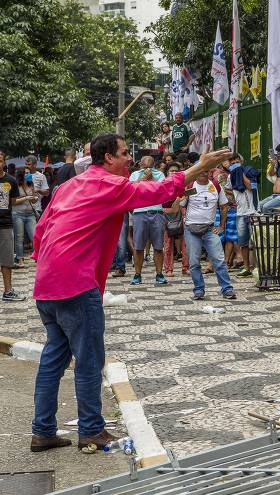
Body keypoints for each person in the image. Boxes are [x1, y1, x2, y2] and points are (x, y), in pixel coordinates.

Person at [29, 135, 230, 452]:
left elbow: (41, 230)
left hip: (47, 283)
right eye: (125, 154)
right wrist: (200, 167)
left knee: (53, 358)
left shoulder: (68, 187)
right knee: (89, 361)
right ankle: (92, 430)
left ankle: (42, 431)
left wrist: (48, 265)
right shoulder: (109, 185)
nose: (130, 160)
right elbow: (156, 190)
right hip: (76, 284)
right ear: (108, 157)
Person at [180, 167, 236, 300]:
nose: (203, 173)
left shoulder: (215, 186)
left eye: (206, 170)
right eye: (200, 170)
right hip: (191, 230)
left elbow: (224, 206)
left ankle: (227, 289)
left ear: (209, 173)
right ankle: (199, 289)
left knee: (219, 260)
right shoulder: (191, 186)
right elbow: (181, 203)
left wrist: (221, 226)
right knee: (194, 262)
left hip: (210, 229)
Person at [129, 156, 168, 285]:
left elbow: (161, 190)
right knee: (138, 246)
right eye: (145, 166)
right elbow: (131, 190)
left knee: (158, 246)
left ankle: (159, 274)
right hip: (139, 213)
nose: (147, 168)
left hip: (157, 212)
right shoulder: (134, 174)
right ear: (140, 164)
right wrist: (143, 179)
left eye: (150, 166)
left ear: (154, 165)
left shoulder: (160, 174)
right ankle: (137, 274)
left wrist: (151, 178)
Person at [0, 152, 25, 301]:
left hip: (4, 224)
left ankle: (8, 291)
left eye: (0, 160)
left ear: (4, 162)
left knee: (7, 259)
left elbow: (13, 201)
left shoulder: (11, 180)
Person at [228, 154, 256, 277]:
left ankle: (257, 267)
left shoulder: (249, 171)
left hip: (253, 212)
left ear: (241, 160)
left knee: (256, 242)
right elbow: (227, 189)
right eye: (232, 162)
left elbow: (251, 186)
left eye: (236, 161)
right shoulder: (230, 176)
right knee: (243, 243)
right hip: (240, 213)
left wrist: (241, 173)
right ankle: (246, 267)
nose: (235, 163)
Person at [162, 161, 189, 277]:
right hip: (166, 215)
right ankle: (168, 269)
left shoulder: (184, 184)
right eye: (171, 171)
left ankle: (186, 267)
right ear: (166, 172)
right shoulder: (162, 184)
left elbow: (186, 199)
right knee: (168, 244)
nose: (173, 172)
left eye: (176, 171)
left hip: (182, 213)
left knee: (185, 243)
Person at [12, 167, 40, 268]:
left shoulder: (30, 184)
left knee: (35, 235)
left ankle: (38, 257)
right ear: (21, 174)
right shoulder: (15, 185)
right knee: (19, 237)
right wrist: (26, 198)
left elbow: (33, 200)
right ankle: (20, 259)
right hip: (17, 214)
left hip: (30, 214)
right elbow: (13, 202)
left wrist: (34, 198)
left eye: (29, 173)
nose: (29, 175)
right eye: (27, 173)